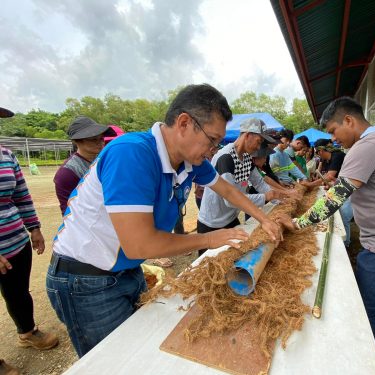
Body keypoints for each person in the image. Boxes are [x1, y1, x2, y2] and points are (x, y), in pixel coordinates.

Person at [46, 84, 282, 357]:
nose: (213, 150)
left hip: (126, 270)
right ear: (184, 123)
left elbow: (227, 189)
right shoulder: (132, 153)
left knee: (140, 351)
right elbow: (140, 245)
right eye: (212, 140)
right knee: (115, 361)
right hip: (85, 279)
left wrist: (264, 219)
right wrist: (209, 238)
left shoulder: (191, 161)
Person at [278, 97, 375, 355]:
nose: (333, 139)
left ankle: (369, 359)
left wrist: (297, 223)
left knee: (365, 326)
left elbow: (337, 198)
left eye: (334, 131)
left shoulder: (367, 146)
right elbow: (346, 187)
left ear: (349, 120)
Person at [0, 107, 58, 374]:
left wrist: (34, 228)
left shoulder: (6, 155)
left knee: (18, 293)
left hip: (15, 242)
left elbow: (21, 195)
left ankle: (27, 332)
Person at [197, 118, 287, 255]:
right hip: (212, 224)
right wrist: (265, 197)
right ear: (247, 135)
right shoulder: (225, 158)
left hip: (231, 219)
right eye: (258, 142)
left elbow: (259, 182)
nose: (258, 147)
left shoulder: (246, 159)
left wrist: (276, 199)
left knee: (240, 255)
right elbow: (230, 200)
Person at [53, 116, 116, 215]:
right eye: (93, 139)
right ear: (77, 141)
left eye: (101, 138)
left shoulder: (103, 161)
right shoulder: (67, 173)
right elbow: (70, 211)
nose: (100, 142)